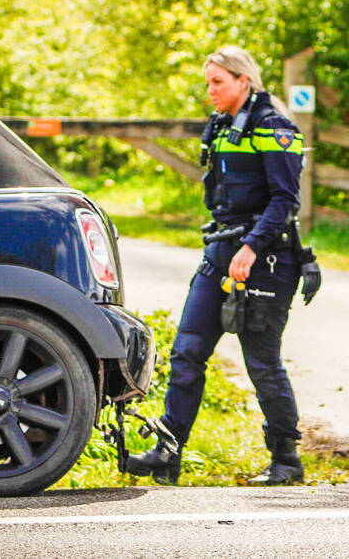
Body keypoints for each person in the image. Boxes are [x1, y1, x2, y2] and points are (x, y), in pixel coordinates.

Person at [125, 46, 320, 485]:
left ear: (243, 81)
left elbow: (285, 200)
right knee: (187, 352)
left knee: (262, 361)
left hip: (266, 258)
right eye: (207, 81)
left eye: (217, 82)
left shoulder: (274, 126)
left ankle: (286, 461)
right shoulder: (219, 126)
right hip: (220, 252)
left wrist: (250, 247)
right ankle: (167, 453)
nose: (209, 90)